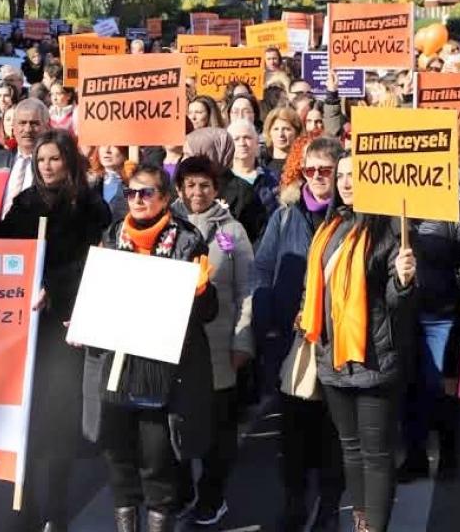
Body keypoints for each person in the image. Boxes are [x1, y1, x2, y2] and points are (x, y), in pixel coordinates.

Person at [0, 130, 111, 532]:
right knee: (27, 422)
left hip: (64, 325)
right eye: (42, 160)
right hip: (26, 325)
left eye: (55, 159)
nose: (47, 166)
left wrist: (56, 288)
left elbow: (93, 262)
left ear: (69, 161)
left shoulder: (89, 206)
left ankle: (58, 510)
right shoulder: (26, 203)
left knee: (59, 423)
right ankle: (25, 508)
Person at [81, 163, 214, 532]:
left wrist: (202, 293)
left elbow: (207, 314)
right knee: (117, 452)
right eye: (131, 193)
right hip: (117, 363)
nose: (137, 200)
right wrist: (84, 318)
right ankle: (126, 520)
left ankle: (159, 519)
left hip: (162, 372)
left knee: (156, 456)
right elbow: (98, 295)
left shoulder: (187, 240)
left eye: (146, 193)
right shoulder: (111, 235)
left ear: (166, 198)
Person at [299, 155, 416, 532]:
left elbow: (400, 307)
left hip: (373, 361)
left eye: (356, 175)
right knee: (350, 449)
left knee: (376, 455)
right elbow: (313, 285)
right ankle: (361, 521)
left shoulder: (389, 232)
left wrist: (403, 281)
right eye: (342, 175)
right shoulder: (329, 227)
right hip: (332, 359)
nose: (347, 182)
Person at [251, 136, 345, 532]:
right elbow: (262, 269)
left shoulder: (353, 215)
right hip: (293, 341)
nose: (319, 177)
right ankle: (293, 500)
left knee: (333, 431)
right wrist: (266, 325)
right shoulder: (285, 216)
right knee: (293, 429)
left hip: (339, 340)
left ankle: (328, 505)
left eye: (327, 170)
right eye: (312, 170)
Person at [172, 157, 253, 526]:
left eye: (204, 185)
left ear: (216, 189)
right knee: (178, 422)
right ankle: (182, 490)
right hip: (175, 345)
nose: (197, 192)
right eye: (190, 185)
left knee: (220, 429)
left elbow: (247, 288)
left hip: (220, 345)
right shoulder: (168, 226)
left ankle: (212, 494)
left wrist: (243, 340)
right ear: (180, 189)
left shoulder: (231, 232)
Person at [398, 195, 460, 483]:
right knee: (409, 387)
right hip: (402, 316)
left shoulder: (456, 211)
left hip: (442, 314)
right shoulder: (389, 208)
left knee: (442, 388)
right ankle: (415, 455)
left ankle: (448, 455)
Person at [0, 99, 50, 219]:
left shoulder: (56, 165)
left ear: (46, 127)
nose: (27, 129)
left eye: (34, 123)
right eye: (22, 123)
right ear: (13, 127)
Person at [227, 121, 279, 239]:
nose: (242, 143)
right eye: (236, 139)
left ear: (256, 143)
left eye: (247, 138)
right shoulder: (221, 181)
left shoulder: (272, 179)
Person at [91, 145, 131, 219]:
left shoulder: (133, 183)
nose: (107, 150)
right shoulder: (90, 183)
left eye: (114, 145)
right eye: (103, 144)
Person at [262, 107, 303, 174]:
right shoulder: (261, 166)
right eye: (276, 129)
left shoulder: (302, 166)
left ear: (296, 133)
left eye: (286, 129)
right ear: (269, 132)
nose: (280, 134)